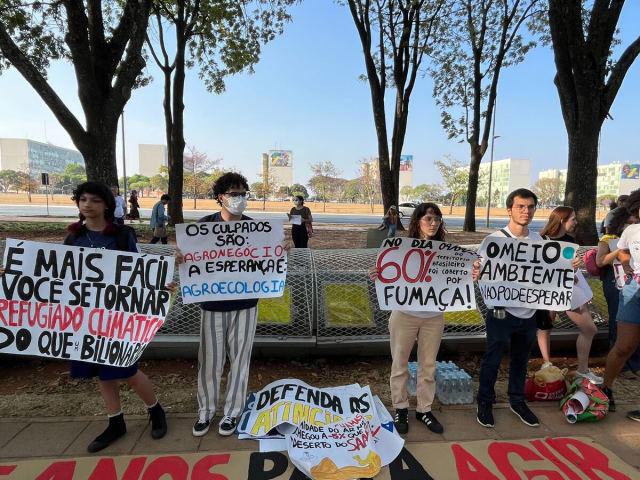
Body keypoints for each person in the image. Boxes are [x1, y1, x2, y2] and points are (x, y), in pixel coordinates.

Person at [17, 182, 167, 452]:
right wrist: (19, 274)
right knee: (102, 373)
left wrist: (159, 284)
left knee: (128, 370)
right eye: (83, 199)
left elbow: (138, 270)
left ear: (107, 204)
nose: (88, 205)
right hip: (84, 320)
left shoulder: (122, 235)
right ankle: (115, 422)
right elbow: (56, 276)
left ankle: (155, 410)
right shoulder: (73, 238)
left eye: (95, 200)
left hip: (117, 317)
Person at [176, 172, 260, 437]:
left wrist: (280, 251)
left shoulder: (255, 229)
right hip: (212, 304)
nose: (239, 198)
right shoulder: (202, 228)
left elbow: (265, 263)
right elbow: (191, 260)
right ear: (220, 197)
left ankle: (233, 412)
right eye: (234, 193)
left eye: (243, 193)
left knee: (240, 360)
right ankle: (206, 411)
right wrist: (182, 259)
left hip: (246, 304)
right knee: (209, 361)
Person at [369, 203, 448, 435]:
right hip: (404, 314)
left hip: (433, 316)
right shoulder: (399, 247)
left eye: (437, 219)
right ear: (417, 221)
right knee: (399, 363)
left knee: (428, 365)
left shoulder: (446, 251)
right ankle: (400, 407)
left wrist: (470, 275)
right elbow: (388, 272)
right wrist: (376, 274)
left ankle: (424, 409)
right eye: (428, 219)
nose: (433, 224)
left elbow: (455, 280)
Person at [473, 188, 541, 428]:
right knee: (492, 358)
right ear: (509, 210)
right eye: (521, 206)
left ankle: (517, 400)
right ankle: (484, 401)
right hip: (501, 311)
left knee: (521, 360)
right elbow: (480, 273)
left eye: (531, 207)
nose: (526, 211)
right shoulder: (494, 240)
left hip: (529, 313)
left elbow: (549, 275)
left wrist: (568, 268)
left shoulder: (539, 241)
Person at [536, 207, 602, 383]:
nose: (576, 222)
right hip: (547, 290)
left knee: (589, 329)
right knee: (545, 326)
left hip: (570, 289)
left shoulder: (569, 241)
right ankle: (547, 364)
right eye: (572, 219)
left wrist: (573, 267)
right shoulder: (540, 240)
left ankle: (582, 370)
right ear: (561, 221)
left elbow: (569, 267)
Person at [603, 189, 640, 421]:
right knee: (624, 346)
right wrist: (628, 267)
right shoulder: (631, 230)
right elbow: (624, 251)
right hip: (634, 289)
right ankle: (606, 389)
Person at [596, 207, 640, 378]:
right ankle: (622, 369)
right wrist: (620, 248)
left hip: (627, 281)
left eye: (635, 222)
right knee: (620, 328)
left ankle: (634, 364)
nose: (633, 224)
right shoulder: (608, 240)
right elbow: (601, 262)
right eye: (629, 222)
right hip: (615, 283)